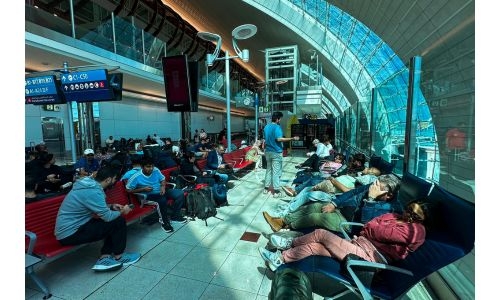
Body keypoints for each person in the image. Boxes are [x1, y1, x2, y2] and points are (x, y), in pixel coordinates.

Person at [259, 201, 428, 271]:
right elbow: (370, 224)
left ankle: (289, 243)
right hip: (359, 245)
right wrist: (372, 231)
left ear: (423, 220)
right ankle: (280, 260)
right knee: (316, 247)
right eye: (409, 210)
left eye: (415, 216)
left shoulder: (417, 231)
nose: (409, 216)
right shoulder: (395, 216)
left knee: (320, 233)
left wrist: (372, 230)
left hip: (370, 259)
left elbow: (378, 230)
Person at [54, 165, 141, 272]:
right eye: (114, 180)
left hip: (75, 227)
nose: (114, 182)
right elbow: (108, 217)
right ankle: (119, 256)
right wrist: (122, 211)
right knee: (117, 220)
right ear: (108, 179)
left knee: (113, 222)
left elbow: (92, 205)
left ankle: (105, 258)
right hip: (70, 234)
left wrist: (111, 206)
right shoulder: (93, 191)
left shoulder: (88, 185)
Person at [262, 174, 401, 233]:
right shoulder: (373, 186)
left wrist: (370, 199)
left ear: (389, 195)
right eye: (374, 184)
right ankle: (281, 221)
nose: (373, 188)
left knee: (316, 217)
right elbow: (351, 193)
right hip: (342, 210)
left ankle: (289, 226)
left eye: (378, 188)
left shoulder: (388, 208)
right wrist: (334, 203)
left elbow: (365, 223)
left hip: (350, 224)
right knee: (315, 206)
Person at [274, 167, 383, 217]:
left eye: (371, 170)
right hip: (332, 188)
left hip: (335, 195)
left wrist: (334, 181)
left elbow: (348, 191)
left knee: (310, 194)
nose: (368, 169)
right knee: (308, 188)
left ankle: (285, 213)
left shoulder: (366, 183)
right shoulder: (358, 176)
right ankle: (289, 206)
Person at [125, 157, 187, 233]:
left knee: (179, 193)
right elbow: (128, 190)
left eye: (152, 166)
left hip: (161, 192)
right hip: (147, 196)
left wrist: (163, 187)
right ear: (142, 167)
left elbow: (162, 179)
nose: (151, 168)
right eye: (148, 166)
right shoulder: (136, 177)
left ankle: (175, 216)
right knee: (162, 200)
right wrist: (142, 189)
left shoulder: (156, 170)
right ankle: (165, 223)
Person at [264, 111, 299, 195]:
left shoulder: (266, 127)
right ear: (277, 119)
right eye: (280, 119)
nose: (280, 121)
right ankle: (276, 191)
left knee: (268, 170)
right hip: (276, 152)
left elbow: (266, 139)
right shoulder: (277, 127)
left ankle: (265, 189)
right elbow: (279, 139)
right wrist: (292, 138)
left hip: (268, 151)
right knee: (276, 172)